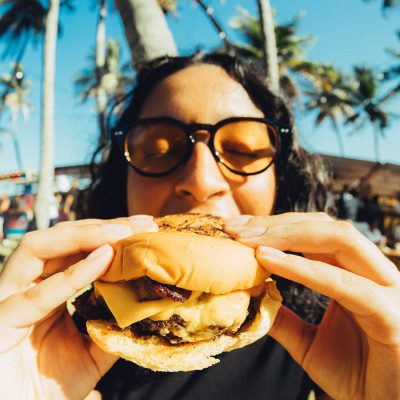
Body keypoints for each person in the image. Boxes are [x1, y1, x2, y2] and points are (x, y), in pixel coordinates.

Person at [0, 53, 399, 400]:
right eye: (157, 149)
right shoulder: (52, 337)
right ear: (122, 178)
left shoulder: (330, 325)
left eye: (243, 148)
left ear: (283, 176)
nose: (202, 180)